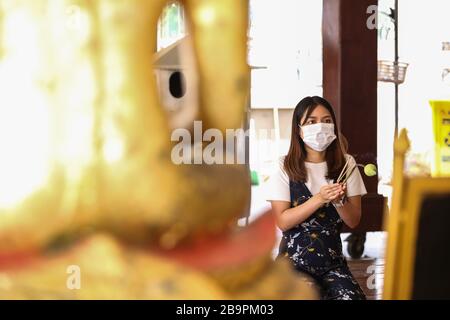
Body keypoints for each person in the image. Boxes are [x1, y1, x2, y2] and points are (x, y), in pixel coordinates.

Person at [265, 96, 367, 300]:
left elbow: (353, 220)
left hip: (333, 264)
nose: (320, 127)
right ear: (298, 129)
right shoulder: (284, 165)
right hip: (293, 265)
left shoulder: (346, 165)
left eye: (327, 120)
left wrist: (339, 201)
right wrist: (319, 199)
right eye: (311, 122)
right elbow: (282, 222)